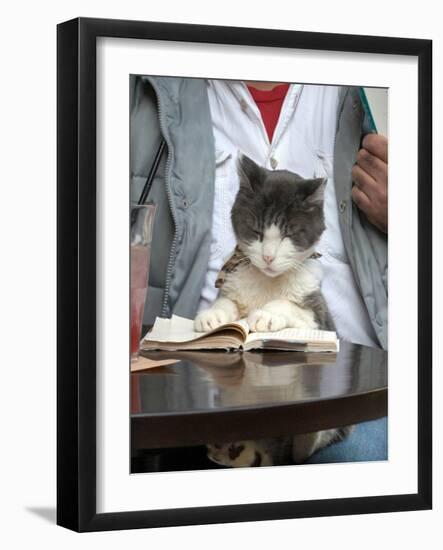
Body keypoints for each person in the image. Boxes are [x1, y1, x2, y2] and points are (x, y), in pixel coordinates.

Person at [130, 75, 388, 463]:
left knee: (358, 461)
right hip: (195, 396)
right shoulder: (145, 83)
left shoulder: (373, 84)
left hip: (353, 396)